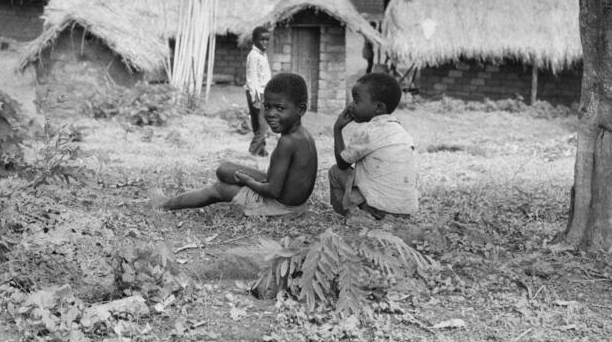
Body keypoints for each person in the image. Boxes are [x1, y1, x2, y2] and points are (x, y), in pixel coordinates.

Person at [152, 73, 317, 218]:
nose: (271, 114)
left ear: (300, 109)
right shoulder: (304, 135)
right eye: (267, 107)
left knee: (217, 189)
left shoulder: (287, 142)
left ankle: (164, 204)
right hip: (294, 203)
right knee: (225, 169)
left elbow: (273, 191)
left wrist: (247, 181)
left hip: (279, 207)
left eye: (280, 108)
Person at [329, 72, 418, 221]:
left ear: (378, 108)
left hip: (377, 208)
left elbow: (342, 164)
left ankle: (346, 216)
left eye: (356, 100)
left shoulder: (368, 131)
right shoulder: (403, 134)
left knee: (335, 172)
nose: (351, 105)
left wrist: (337, 129)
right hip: (405, 211)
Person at [245, 26, 273, 156]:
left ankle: (262, 151)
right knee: (264, 126)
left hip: (263, 93)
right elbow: (252, 79)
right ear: (254, 40)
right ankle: (251, 153)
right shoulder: (254, 56)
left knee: (258, 124)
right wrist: (256, 99)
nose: (265, 42)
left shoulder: (263, 55)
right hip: (257, 94)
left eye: (267, 39)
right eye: (262, 39)